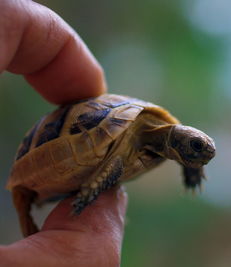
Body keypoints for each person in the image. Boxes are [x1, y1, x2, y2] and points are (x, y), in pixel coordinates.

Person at [0, 0, 127, 266]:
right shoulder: (127, 136)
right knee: (23, 200)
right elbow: (114, 159)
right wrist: (91, 192)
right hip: (54, 147)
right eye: (194, 146)